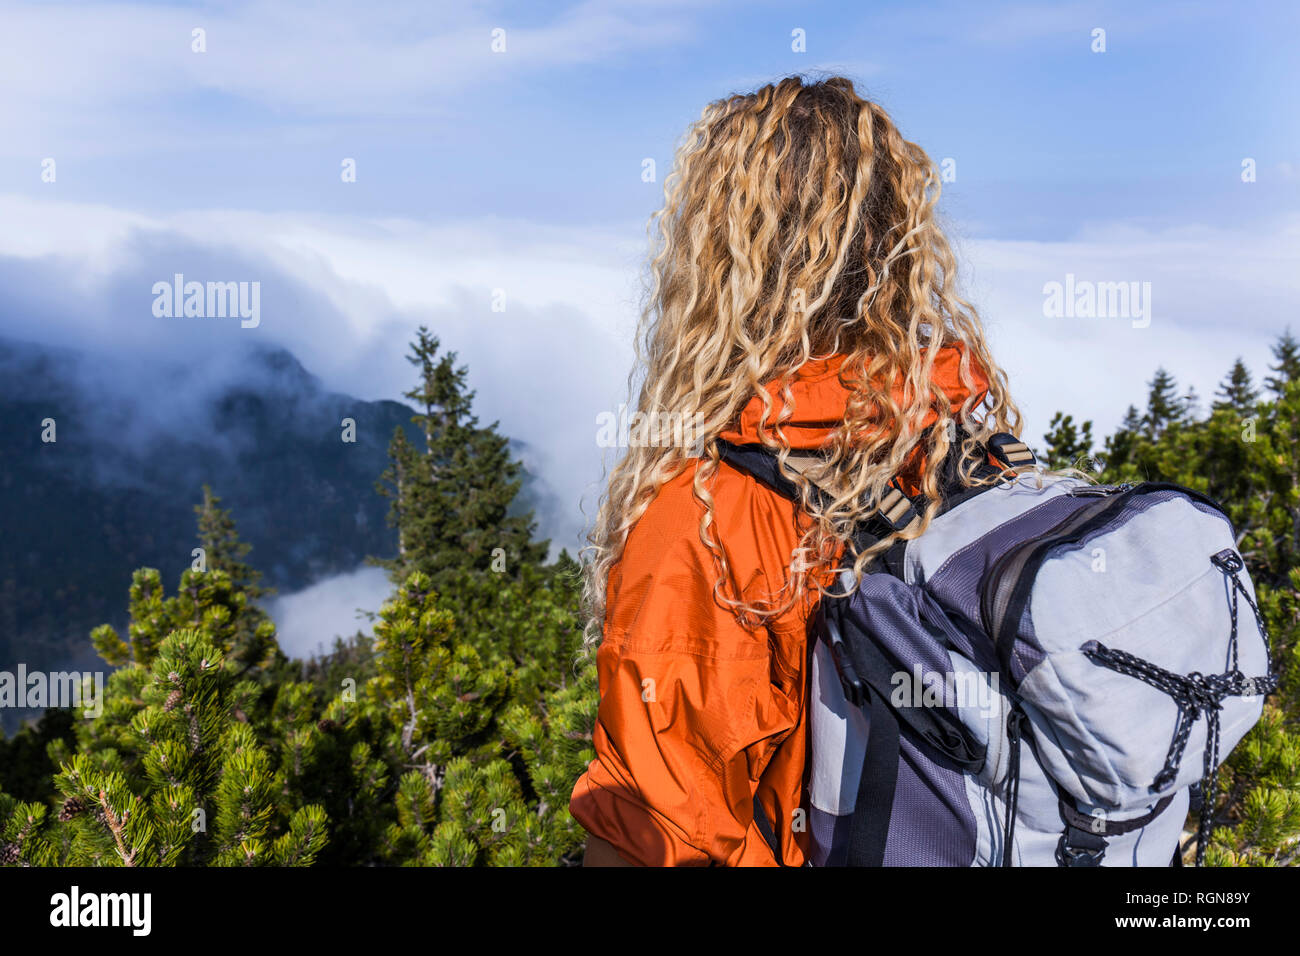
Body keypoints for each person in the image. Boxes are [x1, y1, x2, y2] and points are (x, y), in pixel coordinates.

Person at [570, 75, 1021, 867]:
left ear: (713, 263)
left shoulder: (709, 527)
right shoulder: (957, 437)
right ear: (897, 241)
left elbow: (655, 833)